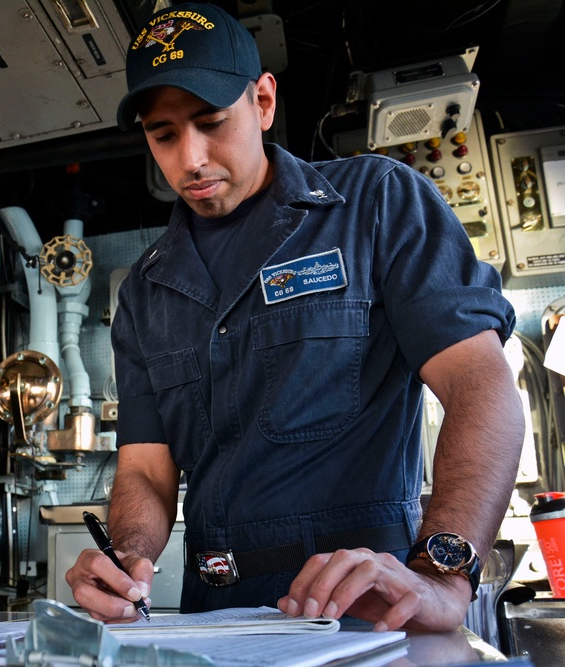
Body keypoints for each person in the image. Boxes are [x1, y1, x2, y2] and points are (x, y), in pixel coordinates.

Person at [65, 3, 524, 632]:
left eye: (211, 121)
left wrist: (443, 574)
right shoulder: (145, 289)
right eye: (163, 134)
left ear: (263, 102)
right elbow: (146, 467)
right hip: (217, 619)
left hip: (368, 610)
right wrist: (128, 559)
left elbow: (480, 387)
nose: (191, 158)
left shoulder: (375, 204)